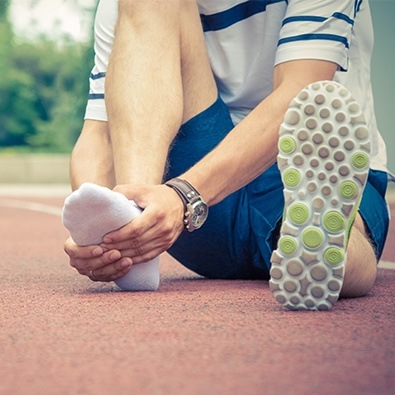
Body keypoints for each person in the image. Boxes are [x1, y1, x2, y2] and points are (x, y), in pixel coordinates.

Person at [63, 0, 390, 310]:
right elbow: (98, 134)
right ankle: (137, 223)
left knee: (334, 228)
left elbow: (302, 92)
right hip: (185, 209)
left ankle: (321, 247)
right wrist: (102, 234)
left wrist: (184, 196)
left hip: (299, 164)